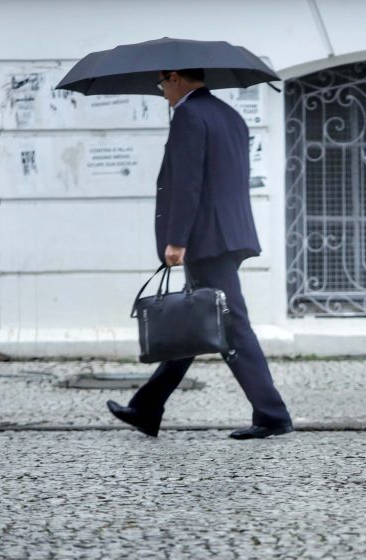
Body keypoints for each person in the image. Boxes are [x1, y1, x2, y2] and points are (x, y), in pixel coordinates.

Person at [107, 69, 293, 440]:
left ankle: (272, 414)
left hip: (207, 238)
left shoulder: (190, 116)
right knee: (196, 321)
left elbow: (188, 183)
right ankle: (147, 407)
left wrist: (177, 239)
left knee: (232, 325)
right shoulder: (229, 114)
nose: (162, 94)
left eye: (161, 84)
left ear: (175, 78)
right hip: (228, 233)